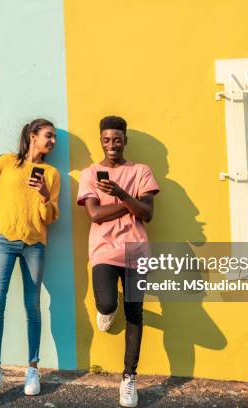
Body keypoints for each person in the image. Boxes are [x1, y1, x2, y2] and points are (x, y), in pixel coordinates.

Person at [0, 119, 60, 407]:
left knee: (33, 305)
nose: (52, 141)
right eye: (48, 135)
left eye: (55, 137)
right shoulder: (7, 163)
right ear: (32, 136)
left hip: (35, 244)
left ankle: (33, 369)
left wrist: (45, 195)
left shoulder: (52, 174)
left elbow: (51, 217)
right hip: (4, 241)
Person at [76, 116, 159, 408]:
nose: (112, 145)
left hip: (137, 253)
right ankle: (107, 311)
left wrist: (121, 194)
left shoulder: (141, 171)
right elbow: (95, 215)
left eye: (117, 139)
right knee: (108, 303)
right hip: (104, 250)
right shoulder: (90, 173)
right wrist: (130, 204)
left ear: (125, 139)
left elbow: (147, 214)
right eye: (106, 139)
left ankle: (129, 377)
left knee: (135, 313)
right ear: (101, 140)